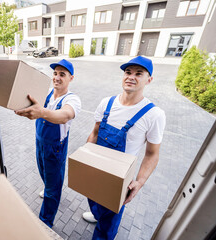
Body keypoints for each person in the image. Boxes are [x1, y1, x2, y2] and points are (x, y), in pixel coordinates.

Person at [82, 56, 166, 239]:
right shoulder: (107, 103)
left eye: (138, 73)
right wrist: (85, 159)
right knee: (94, 201)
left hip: (119, 179)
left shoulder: (154, 115)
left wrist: (140, 181)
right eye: (128, 72)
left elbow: (152, 154)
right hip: (96, 169)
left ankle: (103, 228)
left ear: (149, 80)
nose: (131, 77)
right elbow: (95, 133)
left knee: (108, 226)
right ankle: (98, 215)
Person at [15, 59, 81, 227]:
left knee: (53, 187)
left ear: (71, 78)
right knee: (43, 173)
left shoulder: (73, 99)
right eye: (55, 73)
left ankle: (45, 223)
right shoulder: (47, 93)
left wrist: (42, 112)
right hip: (40, 142)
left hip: (55, 148)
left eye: (62, 75)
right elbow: (25, 98)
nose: (57, 78)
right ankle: (51, 189)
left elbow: (65, 115)